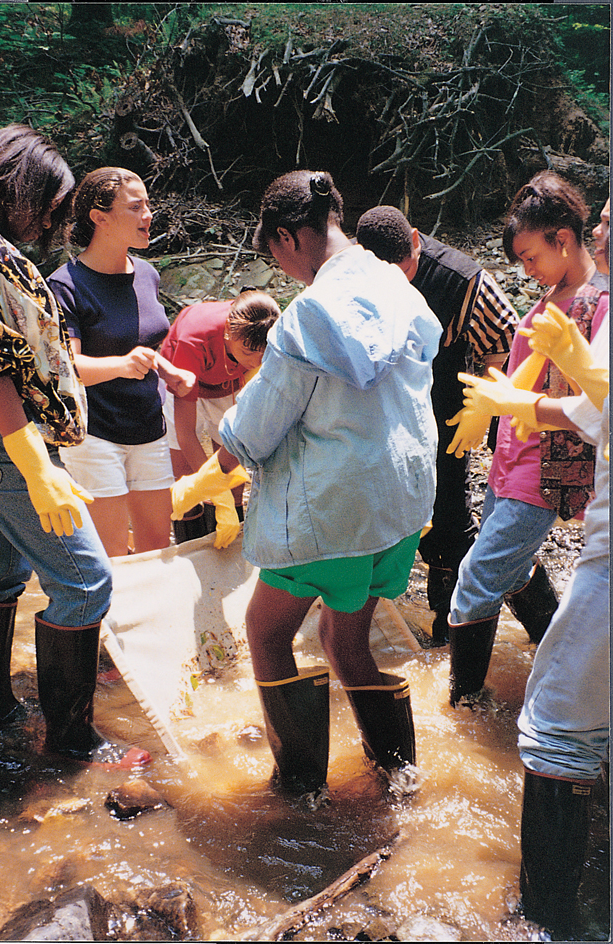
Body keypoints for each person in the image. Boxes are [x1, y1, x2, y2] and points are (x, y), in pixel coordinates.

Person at [170, 170, 442, 807]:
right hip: (401, 505)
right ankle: (399, 781)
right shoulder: (398, 285)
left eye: (274, 250)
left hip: (334, 513)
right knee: (344, 641)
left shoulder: (306, 318)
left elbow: (252, 431)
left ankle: (297, 794)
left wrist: (210, 467)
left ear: (290, 238)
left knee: (264, 634)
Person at [459, 200, 609, 935]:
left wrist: (545, 389)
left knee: (553, 728)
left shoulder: (593, 302)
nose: (600, 231)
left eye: (609, 221)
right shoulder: (572, 302)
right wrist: (509, 404)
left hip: (563, 502)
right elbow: (589, 407)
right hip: (520, 472)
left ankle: (547, 923)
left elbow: (589, 408)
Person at [0, 124, 149, 768]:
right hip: (4, 446)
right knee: (86, 580)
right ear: (15, 188)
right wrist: (36, 468)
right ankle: (74, 744)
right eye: (51, 201)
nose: (58, 217)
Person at [444, 172, 608, 708]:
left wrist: (512, 405)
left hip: (545, 471)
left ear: (563, 239)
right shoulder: (552, 295)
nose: (526, 270)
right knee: (510, 569)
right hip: (510, 460)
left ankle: (466, 706)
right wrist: (486, 408)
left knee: (476, 577)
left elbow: (594, 404)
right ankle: (549, 653)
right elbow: (522, 375)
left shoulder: (597, 303)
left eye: (530, 256)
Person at [356, 206, 520, 646]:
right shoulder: (355, 271)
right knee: (397, 511)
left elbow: (506, 343)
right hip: (389, 408)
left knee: (449, 512)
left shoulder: (462, 278)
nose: (398, 281)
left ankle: (454, 627)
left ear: (415, 240)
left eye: (404, 268)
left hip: (451, 404)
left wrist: (484, 406)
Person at [47, 167, 194, 558]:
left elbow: (142, 345)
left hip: (149, 428)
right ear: (100, 218)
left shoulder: (147, 274)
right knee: (112, 557)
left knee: (156, 552)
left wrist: (170, 370)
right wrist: (123, 365)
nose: (149, 214)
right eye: (136, 207)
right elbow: (68, 369)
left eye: (148, 205)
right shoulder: (66, 285)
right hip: (95, 435)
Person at [160, 290, 280, 547]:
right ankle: (190, 546)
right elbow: (186, 434)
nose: (256, 361)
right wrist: (214, 491)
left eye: (264, 353)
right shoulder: (195, 338)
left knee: (232, 470)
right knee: (184, 473)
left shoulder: (262, 327)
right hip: (183, 377)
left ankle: (231, 541)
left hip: (227, 383)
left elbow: (237, 438)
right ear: (229, 333)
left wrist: (227, 494)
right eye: (249, 352)